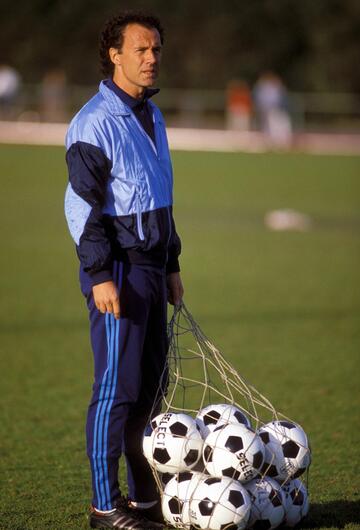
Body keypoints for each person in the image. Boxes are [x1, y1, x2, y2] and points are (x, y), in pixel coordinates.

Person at [64, 11, 184, 530]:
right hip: (117, 268)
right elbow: (81, 208)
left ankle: (143, 499)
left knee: (152, 391)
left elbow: (161, 196)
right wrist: (99, 275)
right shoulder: (92, 122)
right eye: (141, 49)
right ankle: (103, 505)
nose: (152, 58)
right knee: (116, 388)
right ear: (114, 55)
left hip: (154, 270)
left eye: (156, 49)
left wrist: (172, 263)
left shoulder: (152, 116)